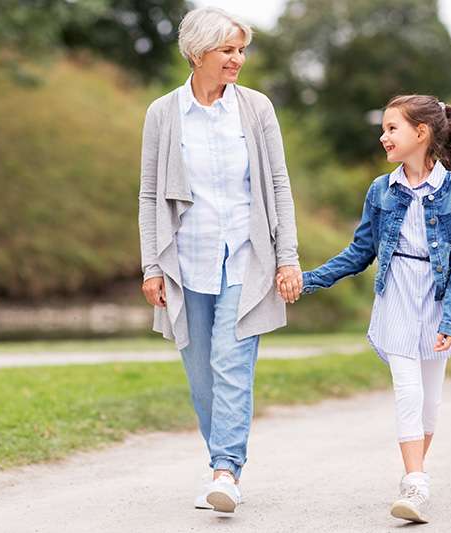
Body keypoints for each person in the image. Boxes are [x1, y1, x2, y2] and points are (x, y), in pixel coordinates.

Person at [278, 94, 451, 524]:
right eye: (384, 128)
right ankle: (417, 483)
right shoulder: (380, 190)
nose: (383, 136)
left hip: (436, 300)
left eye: (392, 128)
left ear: (420, 134)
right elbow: (360, 252)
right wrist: (309, 279)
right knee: (408, 389)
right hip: (396, 297)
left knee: (431, 402)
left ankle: (413, 479)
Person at [138, 6, 302, 514]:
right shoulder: (163, 113)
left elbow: (277, 183)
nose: (239, 59)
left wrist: (287, 257)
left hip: (247, 259)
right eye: (227, 50)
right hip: (186, 262)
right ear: (196, 53)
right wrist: (150, 265)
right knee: (201, 374)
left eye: (241, 49)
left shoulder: (256, 109)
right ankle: (222, 461)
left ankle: (225, 471)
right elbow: (149, 195)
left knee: (233, 366)